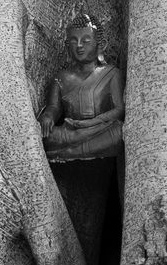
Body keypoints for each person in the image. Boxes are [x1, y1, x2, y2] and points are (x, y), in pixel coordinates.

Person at [40, 13, 124, 162]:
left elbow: (119, 110)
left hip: (98, 129)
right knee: (42, 136)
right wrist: (48, 116)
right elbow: (54, 107)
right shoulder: (61, 77)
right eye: (74, 41)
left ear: (101, 45)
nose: (79, 45)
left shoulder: (111, 74)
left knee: (119, 131)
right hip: (68, 132)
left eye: (85, 41)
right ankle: (75, 148)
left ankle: (68, 152)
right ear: (67, 46)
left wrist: (92, 122)